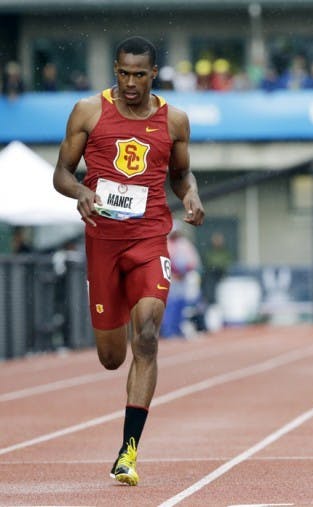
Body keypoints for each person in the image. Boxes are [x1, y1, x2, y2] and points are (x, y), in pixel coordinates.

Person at [52, 36, 205, 485]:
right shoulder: (89, 111)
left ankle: (128, 452)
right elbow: (61, 171)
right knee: (111, 358)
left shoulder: (174, 120)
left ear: (154, 73)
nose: (130, 83)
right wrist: (81, 191)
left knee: (148, 336)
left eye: (140, 75)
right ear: (114, 71)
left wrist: (191, 194)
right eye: (123, 73)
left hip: (149, 239)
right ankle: (109, 312)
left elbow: (180, 173)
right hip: (103, 242)